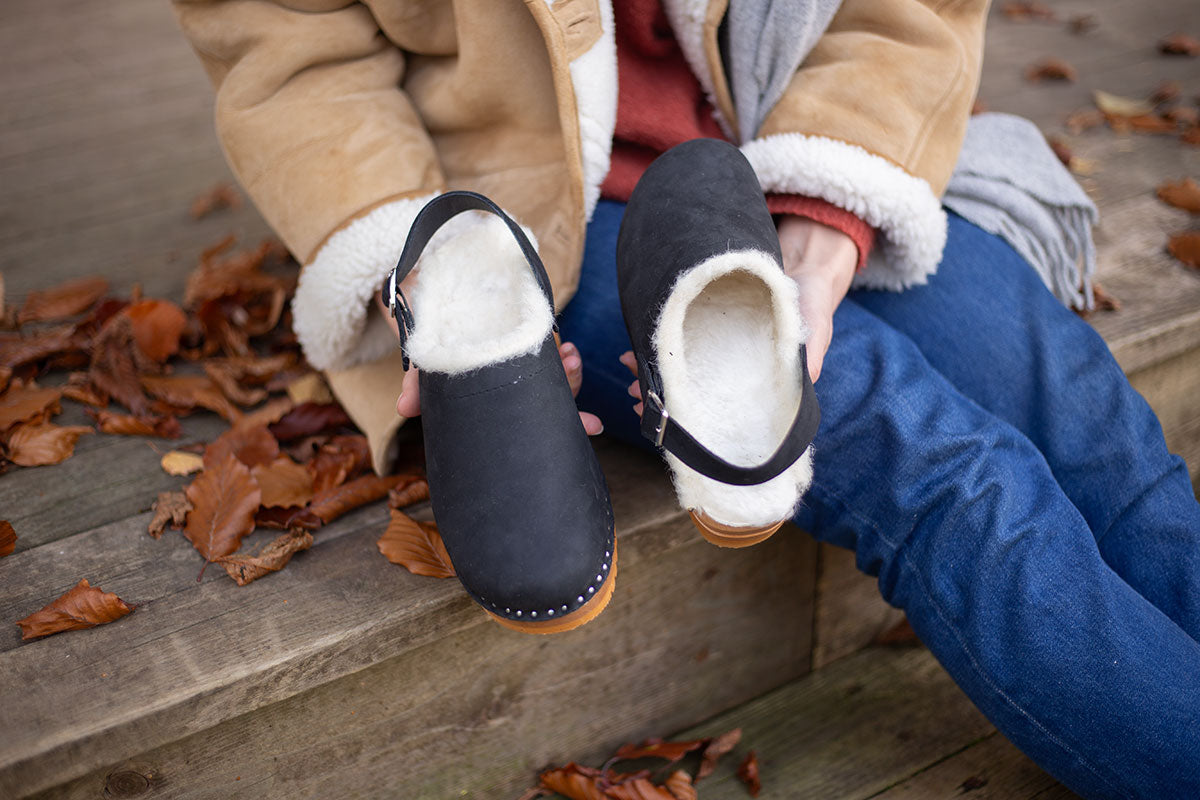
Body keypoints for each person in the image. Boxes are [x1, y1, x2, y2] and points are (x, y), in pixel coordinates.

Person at [174, 0, 1200, 796]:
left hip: (811, 132)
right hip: (544, 218)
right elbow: (291, 50)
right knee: (937, 461)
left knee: (1092, 427)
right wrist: (422, 259)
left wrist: (828, 205)